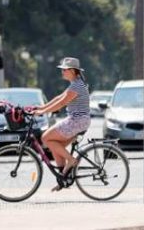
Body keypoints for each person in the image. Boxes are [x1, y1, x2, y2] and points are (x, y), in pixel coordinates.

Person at [34, 57, 91, 189]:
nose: (62, 72)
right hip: (78, 120)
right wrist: (40, 108)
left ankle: (71, 160)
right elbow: (58, 98)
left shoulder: (76, 86)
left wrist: (42, 112)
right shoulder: (75, 83)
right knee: (55, 145)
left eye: (64, 70)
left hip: (77, 121)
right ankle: (63, 178)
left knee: (45, 137)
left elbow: (61, 103)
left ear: (72, 70)